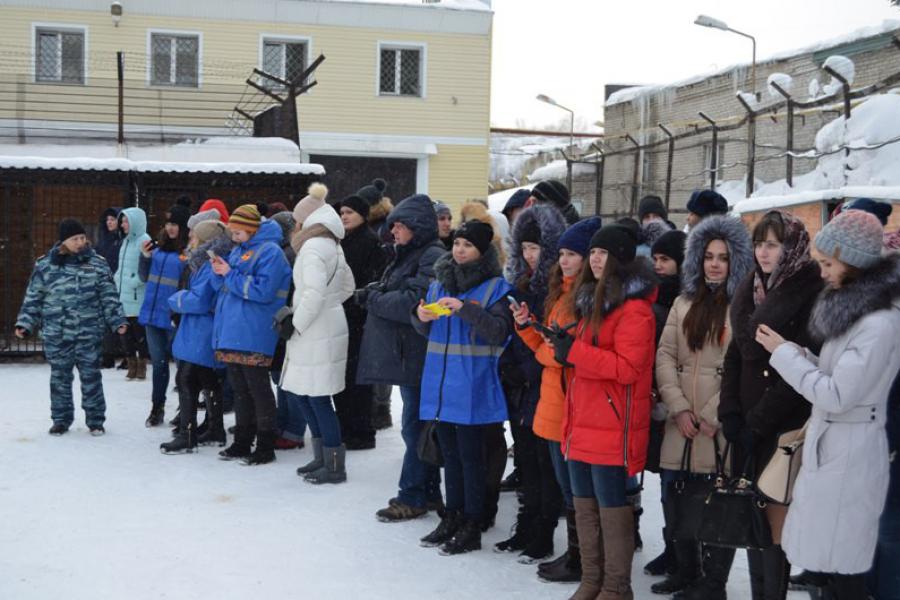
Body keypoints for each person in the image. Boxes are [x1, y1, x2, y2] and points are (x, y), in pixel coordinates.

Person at [758, 210, 900, 600]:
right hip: (837, 446)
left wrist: (785, 356)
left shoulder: (879, 323)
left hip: (849, 450)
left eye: (827, 263)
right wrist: (798, 352)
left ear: (852, 262)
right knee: (834, 564)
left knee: (845, 569)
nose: (821, 273)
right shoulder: (859, 313)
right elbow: (839, 375)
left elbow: (838, 395)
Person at [718, 210, 823, 600]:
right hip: (745, 419)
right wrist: (729, 412)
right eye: (760, 243)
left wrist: (758, 422)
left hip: (781, 426)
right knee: (751, 516)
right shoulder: (750, 286)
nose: (764, 252)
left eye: (773, 244)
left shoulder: (810, 291)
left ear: (791, 247)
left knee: (775, 523)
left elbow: (801, 367)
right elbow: (734, 355)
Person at [552, 224, 657, 600]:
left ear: (621, 260)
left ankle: (616, 586)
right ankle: (592, 580)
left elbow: (628, 368)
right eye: (593, 253)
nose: (595, 259)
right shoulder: (590, 301)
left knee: (611, 508)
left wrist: (575, 352)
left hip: (612, 426)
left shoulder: (634, 311)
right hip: (581, 422)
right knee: (583, 507)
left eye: (603, 253)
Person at [653, 215, 753, 599]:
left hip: (717, 423)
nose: (714, 263)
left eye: (723, 257)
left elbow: (738, 363)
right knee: (675, 498)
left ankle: (713, 584)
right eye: (708, 256)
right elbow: (665, 354)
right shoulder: (682, 302)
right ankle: (686, 571)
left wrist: (713, 415)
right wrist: (677, 406)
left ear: (734, 262)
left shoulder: (740, 306)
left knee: (716, 504)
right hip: (681, 419)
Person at [511, 216, 602, 584]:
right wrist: (525, 325)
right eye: (561, 253)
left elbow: (566, 353)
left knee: (576, 489)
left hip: (568, 400)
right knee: (568, 488)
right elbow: (548, 346)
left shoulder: (585, 298)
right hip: (551, 399)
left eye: (572, 254)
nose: (564, 261)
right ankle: (576, 553)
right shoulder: (560, 292)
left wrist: (547, 352)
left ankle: (583, 558)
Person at [414, 220, 513, 555]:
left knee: (472, 460)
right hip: (442, 386)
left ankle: (472, 522)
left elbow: (499, 332)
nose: (459, 250)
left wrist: (467, 311)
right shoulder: (440, 283)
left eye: (467, 245)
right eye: (457, 243)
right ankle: (452, 516)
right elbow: (427, 329)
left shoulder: (495, 287)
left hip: (473, 386)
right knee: (451, 457)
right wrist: (422, 318)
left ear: (482, 251)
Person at [355, 194, 446, 522]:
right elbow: (398, 289)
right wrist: (376, 291)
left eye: (400, 225)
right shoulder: (409, 253)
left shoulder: (432, 254)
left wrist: (375, 299)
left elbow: (415, 301)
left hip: (418, 355)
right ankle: (430, 491)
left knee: (416, 428)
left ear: (417, 227)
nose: (394, 231)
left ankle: (411, 495)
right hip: (410, 354)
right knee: (417, 427)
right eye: (392, 225)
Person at [495, 204, 567, 564]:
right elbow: (514, 332)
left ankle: (543, 533)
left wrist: (525, 369)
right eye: (524, 248)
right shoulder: (521, 284)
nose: (528, 255)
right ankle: (525, 527)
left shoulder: (555, 290)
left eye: (535, 248)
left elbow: (551, 340)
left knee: (545, 466)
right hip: (521, 388)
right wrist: (508, 367)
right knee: (526, 461)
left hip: (543, 386)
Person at [16, 219, 127, 436]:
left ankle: (95, 420)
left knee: (91, 377)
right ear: (64, 241)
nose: (80, 242)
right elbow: (33, 298)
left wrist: (117, 320)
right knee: (60, 378)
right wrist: (25, 323)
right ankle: (61, 419)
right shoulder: (46, 265)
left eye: (82, 238)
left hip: (88, 332)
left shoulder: (97, 264)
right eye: (75, 239)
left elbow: (109, 296)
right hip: (57, 333)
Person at [281, 191, 356, 485]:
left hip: (313, 328)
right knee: (309, 394)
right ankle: (324, 457)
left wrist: (296, 324)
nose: (295, 226)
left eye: (298, 220)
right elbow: (348, 285)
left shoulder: (312, 248)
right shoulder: (333, 245)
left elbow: (312, 293)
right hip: (327, 323)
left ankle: (333, 465)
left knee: (316, 397)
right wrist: (330, 306)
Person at [211, 204, 292, 466]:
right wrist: (219, 271)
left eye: (237, 232)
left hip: (255, 330)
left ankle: (266, 445)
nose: (233, 236)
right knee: (241, 390)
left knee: (258, 389)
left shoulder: (271, 252)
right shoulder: (239, 251)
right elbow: (227, 287)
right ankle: (242, 442)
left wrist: (229, 274)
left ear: (251, 229)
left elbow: (263, 291)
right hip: (235, 329)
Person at [160, 220, 232, 453]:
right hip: (202, 328)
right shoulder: (207, 262)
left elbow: (200, 300)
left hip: (201, 329)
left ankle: (186, 434)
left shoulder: (209, 264)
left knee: (186, 380)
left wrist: (176, 300)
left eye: (194, 234)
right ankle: (214, 428)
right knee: (207, 379)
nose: (189, 236)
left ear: (204, 240)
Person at [642, 228, 687, 578]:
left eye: (666, 260)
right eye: (655, 259)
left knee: (681, 482)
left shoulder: (685, 300)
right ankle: (672, 549)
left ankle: (686, 556)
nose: (659, 266)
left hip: (684, 402)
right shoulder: (651, 297)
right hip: (657, 400)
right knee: (667, 483)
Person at [335, 194, 388, 450]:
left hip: (358, 318)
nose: (344, 216)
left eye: (349, 212)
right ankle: (347, 427)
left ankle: (360, 431)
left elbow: (371, 281)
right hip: (342, 316)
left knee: (357, 379)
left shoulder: (369, 242)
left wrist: (357, 305)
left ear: (363, 215)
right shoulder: (342, 241)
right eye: (342, 212)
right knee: (343, 377)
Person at [138, 204, 190, 427]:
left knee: (182, 367)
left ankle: (184, 410)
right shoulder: (157, 249)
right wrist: (145, 257)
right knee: (158, 366)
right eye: (168, 223)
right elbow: (143, 276)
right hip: (152, 316)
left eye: (175, 224)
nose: (170, 228)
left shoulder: (186, 254)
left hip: (174, 317)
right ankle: (156, 408)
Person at [268, 210, 308, 451]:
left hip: (289, 321)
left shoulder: (289, 254)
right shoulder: (285, 251)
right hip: (284, 320)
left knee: (289, 380)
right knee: (281, 378)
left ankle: (293, 431)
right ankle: (283, 426)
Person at [115, 207, 152, 381]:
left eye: (125, 221)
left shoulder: (144, 240)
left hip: (137, 296)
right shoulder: (126, 241)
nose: (122, 224)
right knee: (125, 335)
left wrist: (133, 281)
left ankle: (142, 366)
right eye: (121, 221)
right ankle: (131, 365)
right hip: (123, 296)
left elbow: (147, 268)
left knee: (140, 335)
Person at [95, 207, 122, 369]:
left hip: (118, 283)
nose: (109, 222)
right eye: (108, 220)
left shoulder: (122, 240)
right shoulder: (104, 239)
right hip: (104, 283)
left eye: (113, 219)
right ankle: (107, 354)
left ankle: (124, 355)